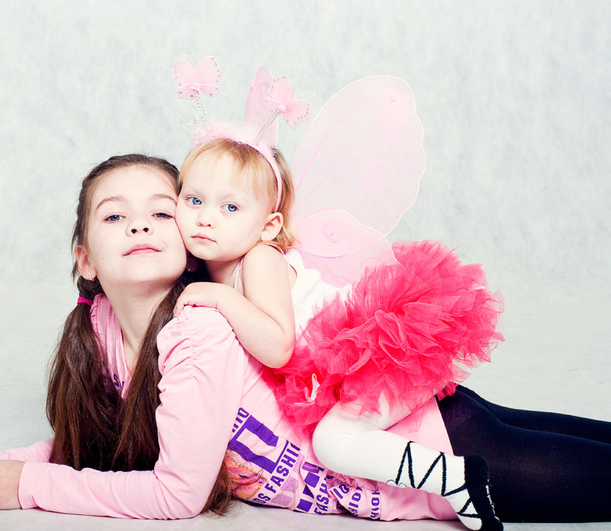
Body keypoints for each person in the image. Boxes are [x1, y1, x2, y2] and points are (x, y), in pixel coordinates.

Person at [0, 154, 611, 527]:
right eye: (114, 217)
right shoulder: (102, 330)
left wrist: (33, 486)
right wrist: (0, 466)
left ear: (189, 239)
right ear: (84, 258)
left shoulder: (199, 327)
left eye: (161, 211)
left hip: (428, 449)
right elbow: (105, 440)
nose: (139, 225)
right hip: (410, 435)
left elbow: (175, 494)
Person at [173, 136, 502, 530]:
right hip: (357, 364)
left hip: (385, 351)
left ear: (269, 226)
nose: (205, 218)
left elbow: (278, 346)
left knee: (334, 442)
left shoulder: (259, 259)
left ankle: (456, 479)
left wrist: (219, 297)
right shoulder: (215, 266)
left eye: (230, 207)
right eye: (194, 201)